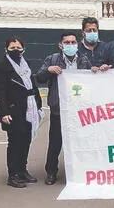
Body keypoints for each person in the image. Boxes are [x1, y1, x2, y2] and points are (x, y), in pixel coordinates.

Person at [36, 32, 92, 185]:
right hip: (59, 108)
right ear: (61, 45)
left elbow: (90, 81)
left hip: (78, 108)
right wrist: (48, 70)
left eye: (73, 42)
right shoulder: (52, 59)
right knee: (55, 141)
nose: (70, 45)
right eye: (67, 42)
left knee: (80, 140)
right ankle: (51, 172)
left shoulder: (83, 60)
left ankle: (80, 170)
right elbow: (39, 77)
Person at [0, 37, 43, 188]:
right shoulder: (2, 67)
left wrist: (39, 104)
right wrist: (4, 112)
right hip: (14, 109)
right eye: (12, 47)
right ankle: (13, 174)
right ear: (6, 49)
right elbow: (0, 91)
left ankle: (22, 170)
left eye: (18, 47)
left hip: (29, 106)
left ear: (23, 49)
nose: (16, 50)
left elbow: (32, 85)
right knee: (15, 142)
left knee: (26, 140)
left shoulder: (26, 65)